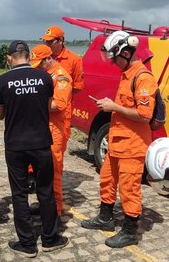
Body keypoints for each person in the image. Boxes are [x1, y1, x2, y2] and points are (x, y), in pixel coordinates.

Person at [81, 30, 158, 248]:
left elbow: (144, 115)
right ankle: (105, 218)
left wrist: (113, 107)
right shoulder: (126, 74)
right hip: (117, 142)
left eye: (114, 57)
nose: (113, 63)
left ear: (124, 52)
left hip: (132, 146)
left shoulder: (142, 77)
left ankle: (130, 231)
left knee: (129, 188)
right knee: (106, 180)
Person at [0, 40, 68, 258]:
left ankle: (27, 243)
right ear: (27, 55)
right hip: (41, 143)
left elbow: (0, 115)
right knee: (45, 192)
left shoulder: (2, 81)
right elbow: (48, 106)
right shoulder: (45, 78)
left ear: (9, 58)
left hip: (15, 145)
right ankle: (50, 239)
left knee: (19, 194)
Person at [29, 44, 72, 216]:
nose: (38, 67)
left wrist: (35, 102)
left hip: (54, 130)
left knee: (53, 171)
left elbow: (59, 104)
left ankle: (56, 209)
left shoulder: (61, 77)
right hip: (42, 127)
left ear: (48, 58)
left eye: (40, 63)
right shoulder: (45, 74)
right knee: (41, 171)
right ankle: (44, 204)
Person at [40, 25, 84, 152]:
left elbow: (77, 87)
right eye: (45, 41)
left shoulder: (74, 60)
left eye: (50, 41)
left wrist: (61, 94)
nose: (47, 44)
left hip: (61, 113)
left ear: (60, 41)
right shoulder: (42, 58)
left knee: (56, 152)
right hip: (42, 110)